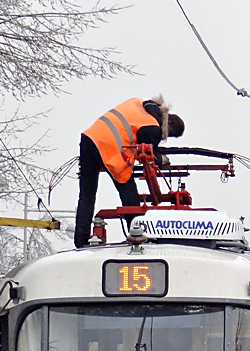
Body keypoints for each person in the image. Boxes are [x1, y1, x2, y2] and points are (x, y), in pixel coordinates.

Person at [74, 97, 185, 248]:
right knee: (130, 195)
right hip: (110, 147)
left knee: (87, 195)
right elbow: (150, 152)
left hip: (89, 139)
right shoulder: (153, 127)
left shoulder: (139, 103)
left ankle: (80, 241)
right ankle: (136, 236)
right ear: (169, 129)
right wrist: (163, 159)